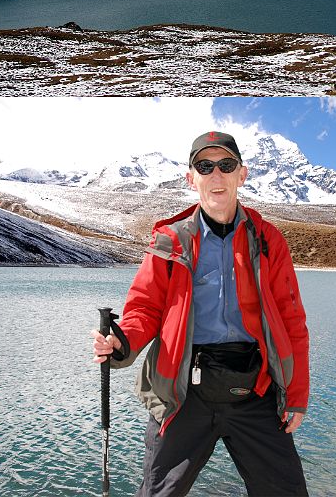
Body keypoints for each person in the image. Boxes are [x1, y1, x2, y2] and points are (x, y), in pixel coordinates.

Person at [92, 131, 310, 497]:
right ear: (190, 177)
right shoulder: (170, 240)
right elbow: (144, 307)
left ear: (243, 174)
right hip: (183, 393)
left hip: (255, 390)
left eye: (226, 165)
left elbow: (292, 320)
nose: (216, 175)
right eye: (205, 166)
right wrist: (122, 342)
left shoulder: (268, 239)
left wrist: (297, 395)